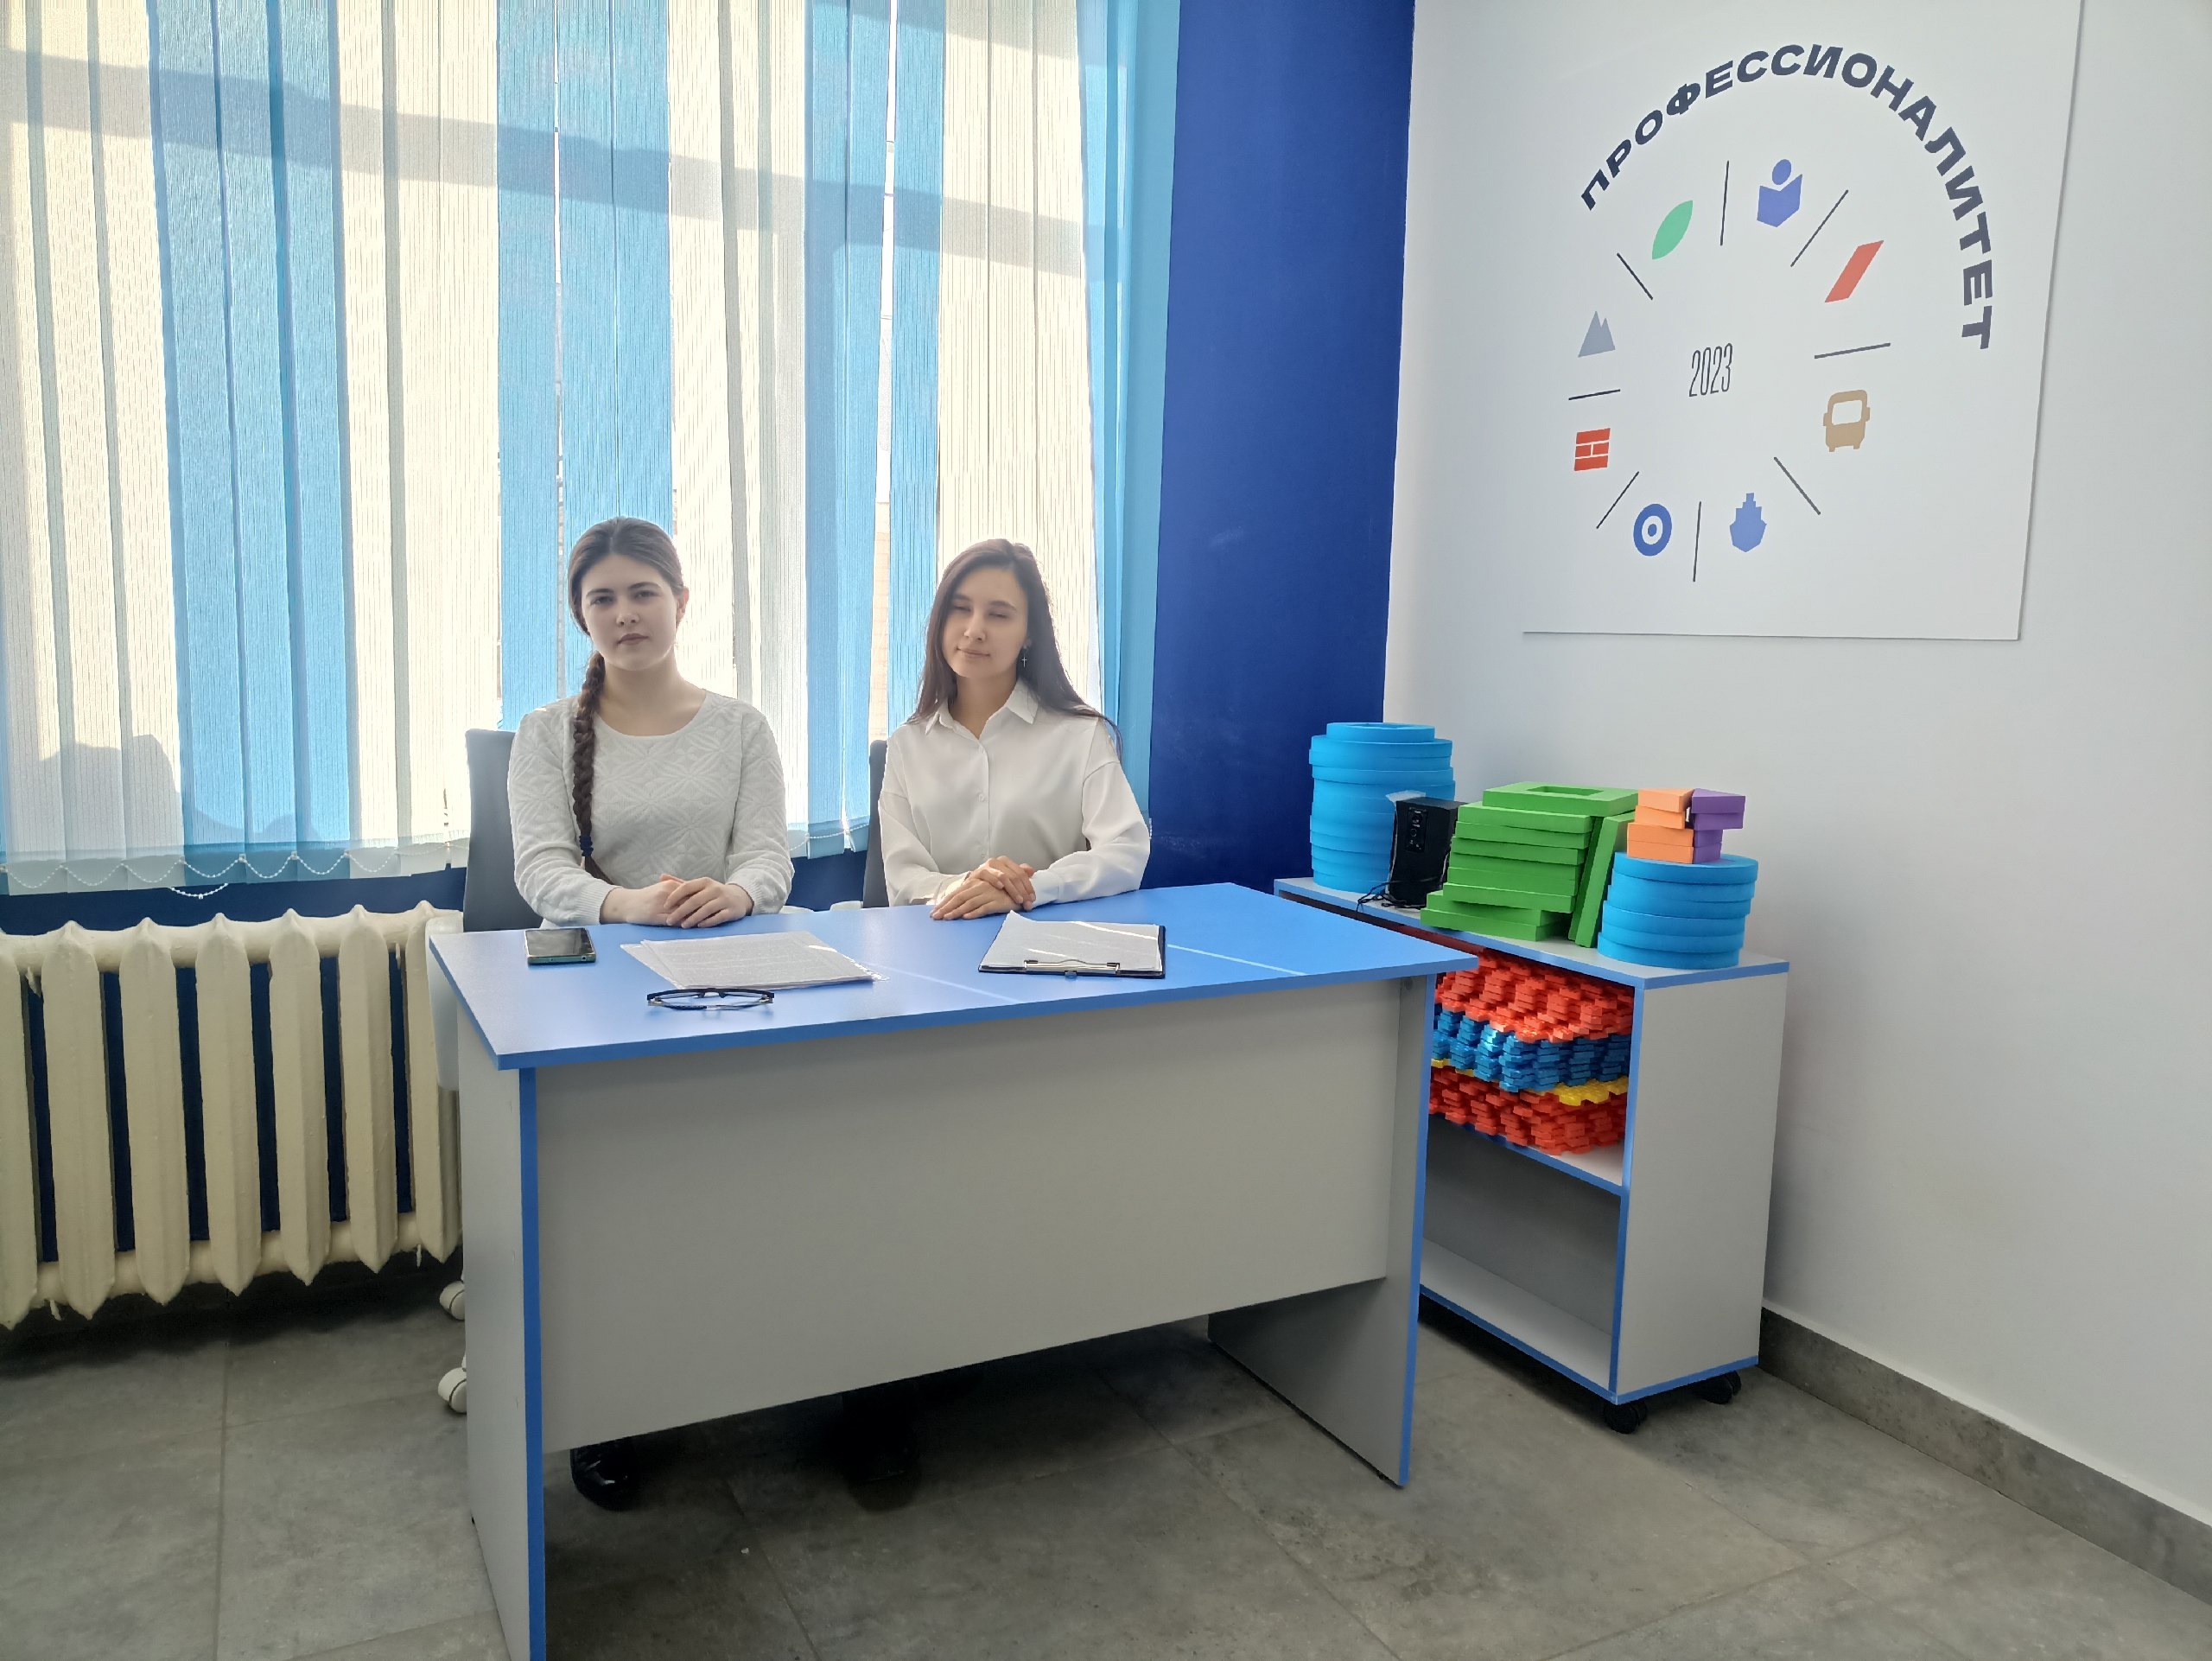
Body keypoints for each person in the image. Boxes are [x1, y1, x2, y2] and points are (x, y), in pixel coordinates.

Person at [507, 515, 792, 1509]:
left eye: (643, 592)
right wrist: (627, 902)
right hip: (599, 984)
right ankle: (610, 1403)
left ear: (681, 600)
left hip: (730, 973)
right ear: (579, 615)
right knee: (615, 1199)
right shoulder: (547, 733)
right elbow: (541, 868)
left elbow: (768, 857)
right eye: (603, 597)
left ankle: (788, 1355)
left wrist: (738, 892)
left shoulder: (741, 726)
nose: (625, 612)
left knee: (766, 1177)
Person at [878, 538, 1148, 920]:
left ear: (1029, 634)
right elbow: (903, 878)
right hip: (940, 939)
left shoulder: (1080, 736)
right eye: (960, 609)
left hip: (1050, 943)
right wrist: (966, 888)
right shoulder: (907, 745)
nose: (974, 630)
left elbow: (1125, 852)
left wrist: (1030, 890)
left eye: (999, 615)